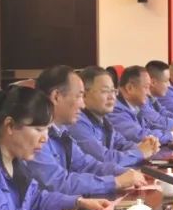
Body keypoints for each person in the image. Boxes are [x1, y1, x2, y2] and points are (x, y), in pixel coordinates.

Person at [26, 66, 145, 195]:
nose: (83, 105)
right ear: (56, 97)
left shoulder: (62, 131)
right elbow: (58, 183)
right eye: (79, 96)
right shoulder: (33, 135)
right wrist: (115, 182)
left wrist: (123, 172)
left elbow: (86, 165)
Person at [69, 66, 159, 169]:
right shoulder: (77, 123)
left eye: (113, 91)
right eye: (105, 91)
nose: (112, 97)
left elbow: (121, 144)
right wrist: (140, 153)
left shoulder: (104, 120)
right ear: (84, 95)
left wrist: (146, 146)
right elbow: (104, 158)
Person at [111, 64, 173, 144]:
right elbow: (139, 136)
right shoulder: (115, 109)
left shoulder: (133, 105)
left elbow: (149, 126)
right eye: (146, 87)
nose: (148, 93)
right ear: (129, 88)